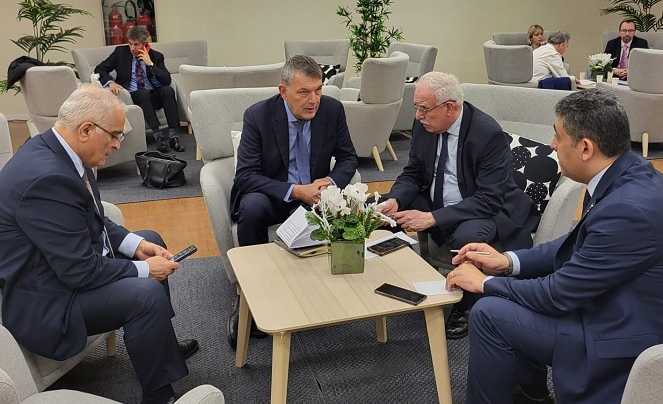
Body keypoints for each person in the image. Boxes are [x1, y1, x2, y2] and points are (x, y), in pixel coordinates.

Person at [448, 89, 663, 404]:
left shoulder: (627, 209)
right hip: (629, 309)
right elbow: (576, 246)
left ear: (585, 148)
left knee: (488, 311)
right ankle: (528, 392)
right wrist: (508, 262)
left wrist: (485, 283)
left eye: (557, 136)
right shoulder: (628, 173)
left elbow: (557, 294)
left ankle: (525, 392)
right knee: (511, 289)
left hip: (636, 337)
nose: (552, 145)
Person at [0, 85, 199, 404]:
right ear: (86, 130)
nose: (119, 144)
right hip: (48, 300)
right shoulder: (45, 178)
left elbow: (94, 217)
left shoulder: (61, 151)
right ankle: (158, 396)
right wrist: (145, 269)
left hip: (61, 269)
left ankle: (160, 347)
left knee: (150, 239)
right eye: (115, 135)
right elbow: (79, 271)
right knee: (146, 293)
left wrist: (135, 245)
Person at [378, 71, 541, 340]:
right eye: (416, 107)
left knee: (467, 236)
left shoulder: (487, 133)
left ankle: (466, 301)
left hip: (482, 206)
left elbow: (488, 199)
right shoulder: (424, 125)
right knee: (383, 209)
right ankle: (402, 279)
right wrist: (395, 199)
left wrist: (432, 218)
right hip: (437, 197)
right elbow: (413, 173)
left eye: (424, 108)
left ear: (449, 108)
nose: (417, 115)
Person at [228, 54, 358, 346]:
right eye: (304, 92)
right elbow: (246, 176)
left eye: (318, 90)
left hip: (317, 195)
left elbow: (348, 158)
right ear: (283, 91)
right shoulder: (258, 116)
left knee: (351, 209)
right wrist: (297, 191)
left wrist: (330, 183)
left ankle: (336, 292)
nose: (314, 100)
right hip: (274, 194)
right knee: (252, 207)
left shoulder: (332, 110)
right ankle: (250, 295)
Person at [95, 26, 185, 154]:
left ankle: (174, 136)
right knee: (143, 93)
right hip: (133, 95)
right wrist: (111, 82)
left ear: (144, 44)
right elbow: (100, 68)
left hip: (152, 95)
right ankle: (158, 136)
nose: (132, 48)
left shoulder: (156, 56)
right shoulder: (120, 52)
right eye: (130, 44)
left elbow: (166, 80)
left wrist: (151, 64)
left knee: (168, 90)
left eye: (136, 44)